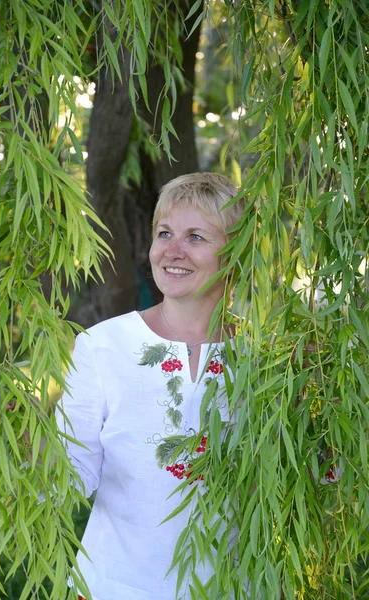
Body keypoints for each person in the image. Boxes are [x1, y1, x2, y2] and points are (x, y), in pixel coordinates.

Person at [56, 172, 245, 600]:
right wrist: (32, 452)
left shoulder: (264, 360)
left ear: (234, 252)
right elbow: (68, 477)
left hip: (230, 586)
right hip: (115, 586)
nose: (172, 252)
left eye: (196, 236)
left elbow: (315, 478)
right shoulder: (102, 347)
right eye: (165, 234)